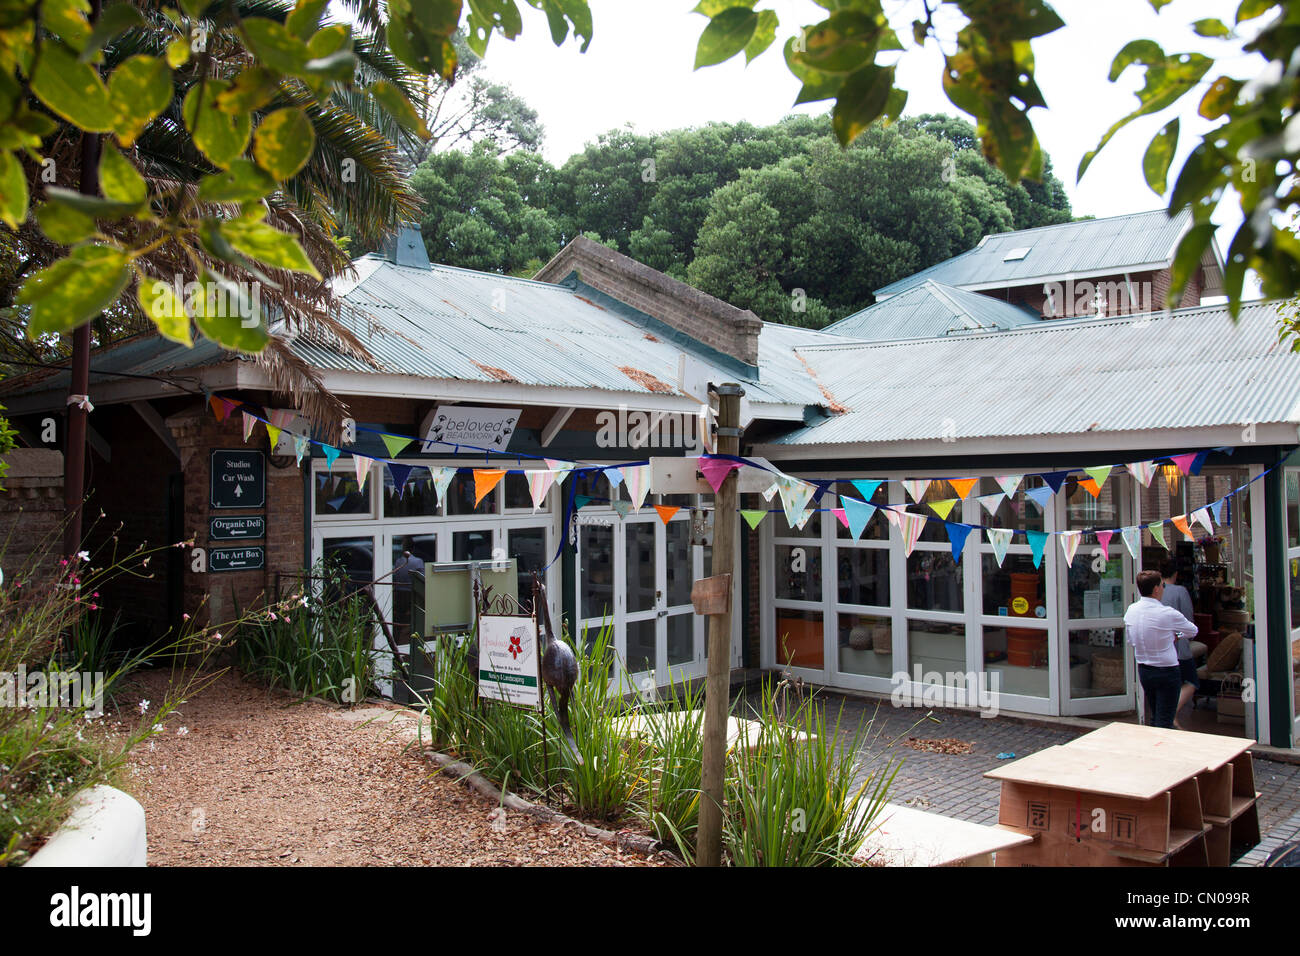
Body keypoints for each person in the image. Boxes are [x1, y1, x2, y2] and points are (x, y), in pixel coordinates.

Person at [1124, 569, 1197, 729]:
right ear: (1157, 589)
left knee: (1156, 714)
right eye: (1162, 585)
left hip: (1144, 669)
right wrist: (1176, 634)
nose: (1164, 589)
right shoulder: (1167, 613)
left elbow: (1130, 640)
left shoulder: (1131, 611)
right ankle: (1161, 749)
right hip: (1167, 670)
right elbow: (1192, 630)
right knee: (1165, 719)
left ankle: (1153, 746)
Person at [1160, 560, 1198, 729]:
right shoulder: (1180, 591)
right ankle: (1172, 713)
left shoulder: (1156, 592)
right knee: (1192, 681)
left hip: (1161, 646)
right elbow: (1189, 618)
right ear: (1175, 574)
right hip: (1179, 645)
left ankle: (1166, 714)